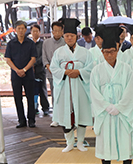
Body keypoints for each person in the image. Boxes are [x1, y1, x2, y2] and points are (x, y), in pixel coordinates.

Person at [87, 24, 133, 164]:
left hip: (122, 111)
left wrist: (120, 107)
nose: (109, 55)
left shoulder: (126, 69)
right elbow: (94, 92)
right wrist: (106, 107)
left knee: (125, 139)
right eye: (106, 52)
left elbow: (130, 90)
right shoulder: (97, 70)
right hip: (105, 112)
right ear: (102, 53)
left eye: (112, 51)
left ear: (117, 51)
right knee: (104, 140)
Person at [51, 18, 93, 152]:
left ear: (77, 36)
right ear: (64, 36)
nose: (69, 38)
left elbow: (91, 67)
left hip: (80, 87)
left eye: (72, 36)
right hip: (64, 88)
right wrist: (65, 72)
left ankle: (80, 142)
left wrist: (79, 71)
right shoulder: (58, 52)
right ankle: (69, 142)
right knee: (65, 115)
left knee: (81, 113)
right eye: (67, 36)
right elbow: (53, 68)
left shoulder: (85, 52)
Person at [4, 20, 37, 129]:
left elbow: (33, 59)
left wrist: (24, 69)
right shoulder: (11, 44)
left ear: (26, 29)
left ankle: (31, 119)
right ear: (15, 30)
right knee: (17, 97)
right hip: (15, 74)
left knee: (30, 97)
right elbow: (7, 59)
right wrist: (17, 70)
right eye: (19, 28)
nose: (21, 30)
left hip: (28, 74)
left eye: (23, 28)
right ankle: (21, 120)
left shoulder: (31, 43)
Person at [41, 20, 65, 124]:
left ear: (62, 31)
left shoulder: (65, 42)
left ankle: (65, 117)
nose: (57, 33)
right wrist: (49, 68)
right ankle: (56, 118)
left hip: (64, 73)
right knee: (55, 94)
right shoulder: (46, 42)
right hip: (51, 73)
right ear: (52, 31)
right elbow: (44, 57)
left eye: (59, 31)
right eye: (55, 31)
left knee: (64, 94)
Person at [29, 24, 50, 118]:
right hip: (30, 70)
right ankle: (34, 108)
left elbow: (43, 56)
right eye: (33, 31)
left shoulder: (43, 43)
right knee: (32, 90)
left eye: (37, 31)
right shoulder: (28, 43)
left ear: (39, 32)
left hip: (40, 69)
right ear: (31, 32)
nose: (35, 33)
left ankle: (45, 108)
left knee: (42, 89)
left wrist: (34, 62)